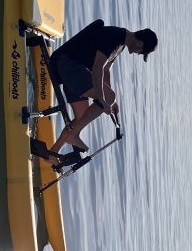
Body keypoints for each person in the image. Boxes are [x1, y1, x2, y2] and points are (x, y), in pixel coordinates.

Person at [47, 19, 157, 165]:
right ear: (140, 44)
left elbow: (105, 71)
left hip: (74, 71)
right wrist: (103, 98)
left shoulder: (121, 45)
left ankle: (53, 153)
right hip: (68, 65)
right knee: (108, 97)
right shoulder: (115, 37)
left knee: (82, 116)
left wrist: (111, 101)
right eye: (141, 52)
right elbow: (98, 67)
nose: (137, 54)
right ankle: (74, 135)